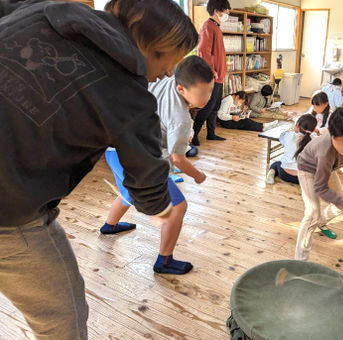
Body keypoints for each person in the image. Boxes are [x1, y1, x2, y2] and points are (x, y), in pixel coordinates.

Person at [0, 0, 197, 338]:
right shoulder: (129, 94)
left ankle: (111, 224)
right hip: (9, 209)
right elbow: (148, 180)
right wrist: (161, 209)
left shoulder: (43, 10)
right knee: (63, 317)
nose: (167, 73)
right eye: (169, 60)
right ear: (149, 44)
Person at [102, 56, 213, 275]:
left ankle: (110, 226)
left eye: (210, 90)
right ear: (181, 88)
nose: (208, 98)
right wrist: (198, 175)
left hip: (113, 147)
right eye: (202, 94)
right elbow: (178, 159)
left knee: (128, 193)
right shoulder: (181, 119)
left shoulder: (165, 78)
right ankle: (164, 261)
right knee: (178, 207)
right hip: (137, 157)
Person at [294, 107, 343, 259]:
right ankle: (299, 260)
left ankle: (321, 222)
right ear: (332, 135)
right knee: (312, 213)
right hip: (307, 169)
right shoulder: (325, 152)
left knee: (340, 205)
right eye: (340, 142)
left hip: (329, 168)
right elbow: (320, 187)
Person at [192, 0, 231, 145]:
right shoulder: (208, 26)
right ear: (216, 10)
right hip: (212, 76)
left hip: (219, 76)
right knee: (207, 106)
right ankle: (194, 134)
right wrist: (212, 71)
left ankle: (211, 133)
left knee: (215, 107)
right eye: (226, 10)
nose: (227, 13)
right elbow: (203, 51)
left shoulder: (216, 27)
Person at [266, 114, 318, 185]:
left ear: (297, 125)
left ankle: (271, 173)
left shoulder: (289, 135)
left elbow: (282, 138)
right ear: (313, 129)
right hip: (304, 178)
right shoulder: (315, 139)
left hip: (285, 174)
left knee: (276, 163)